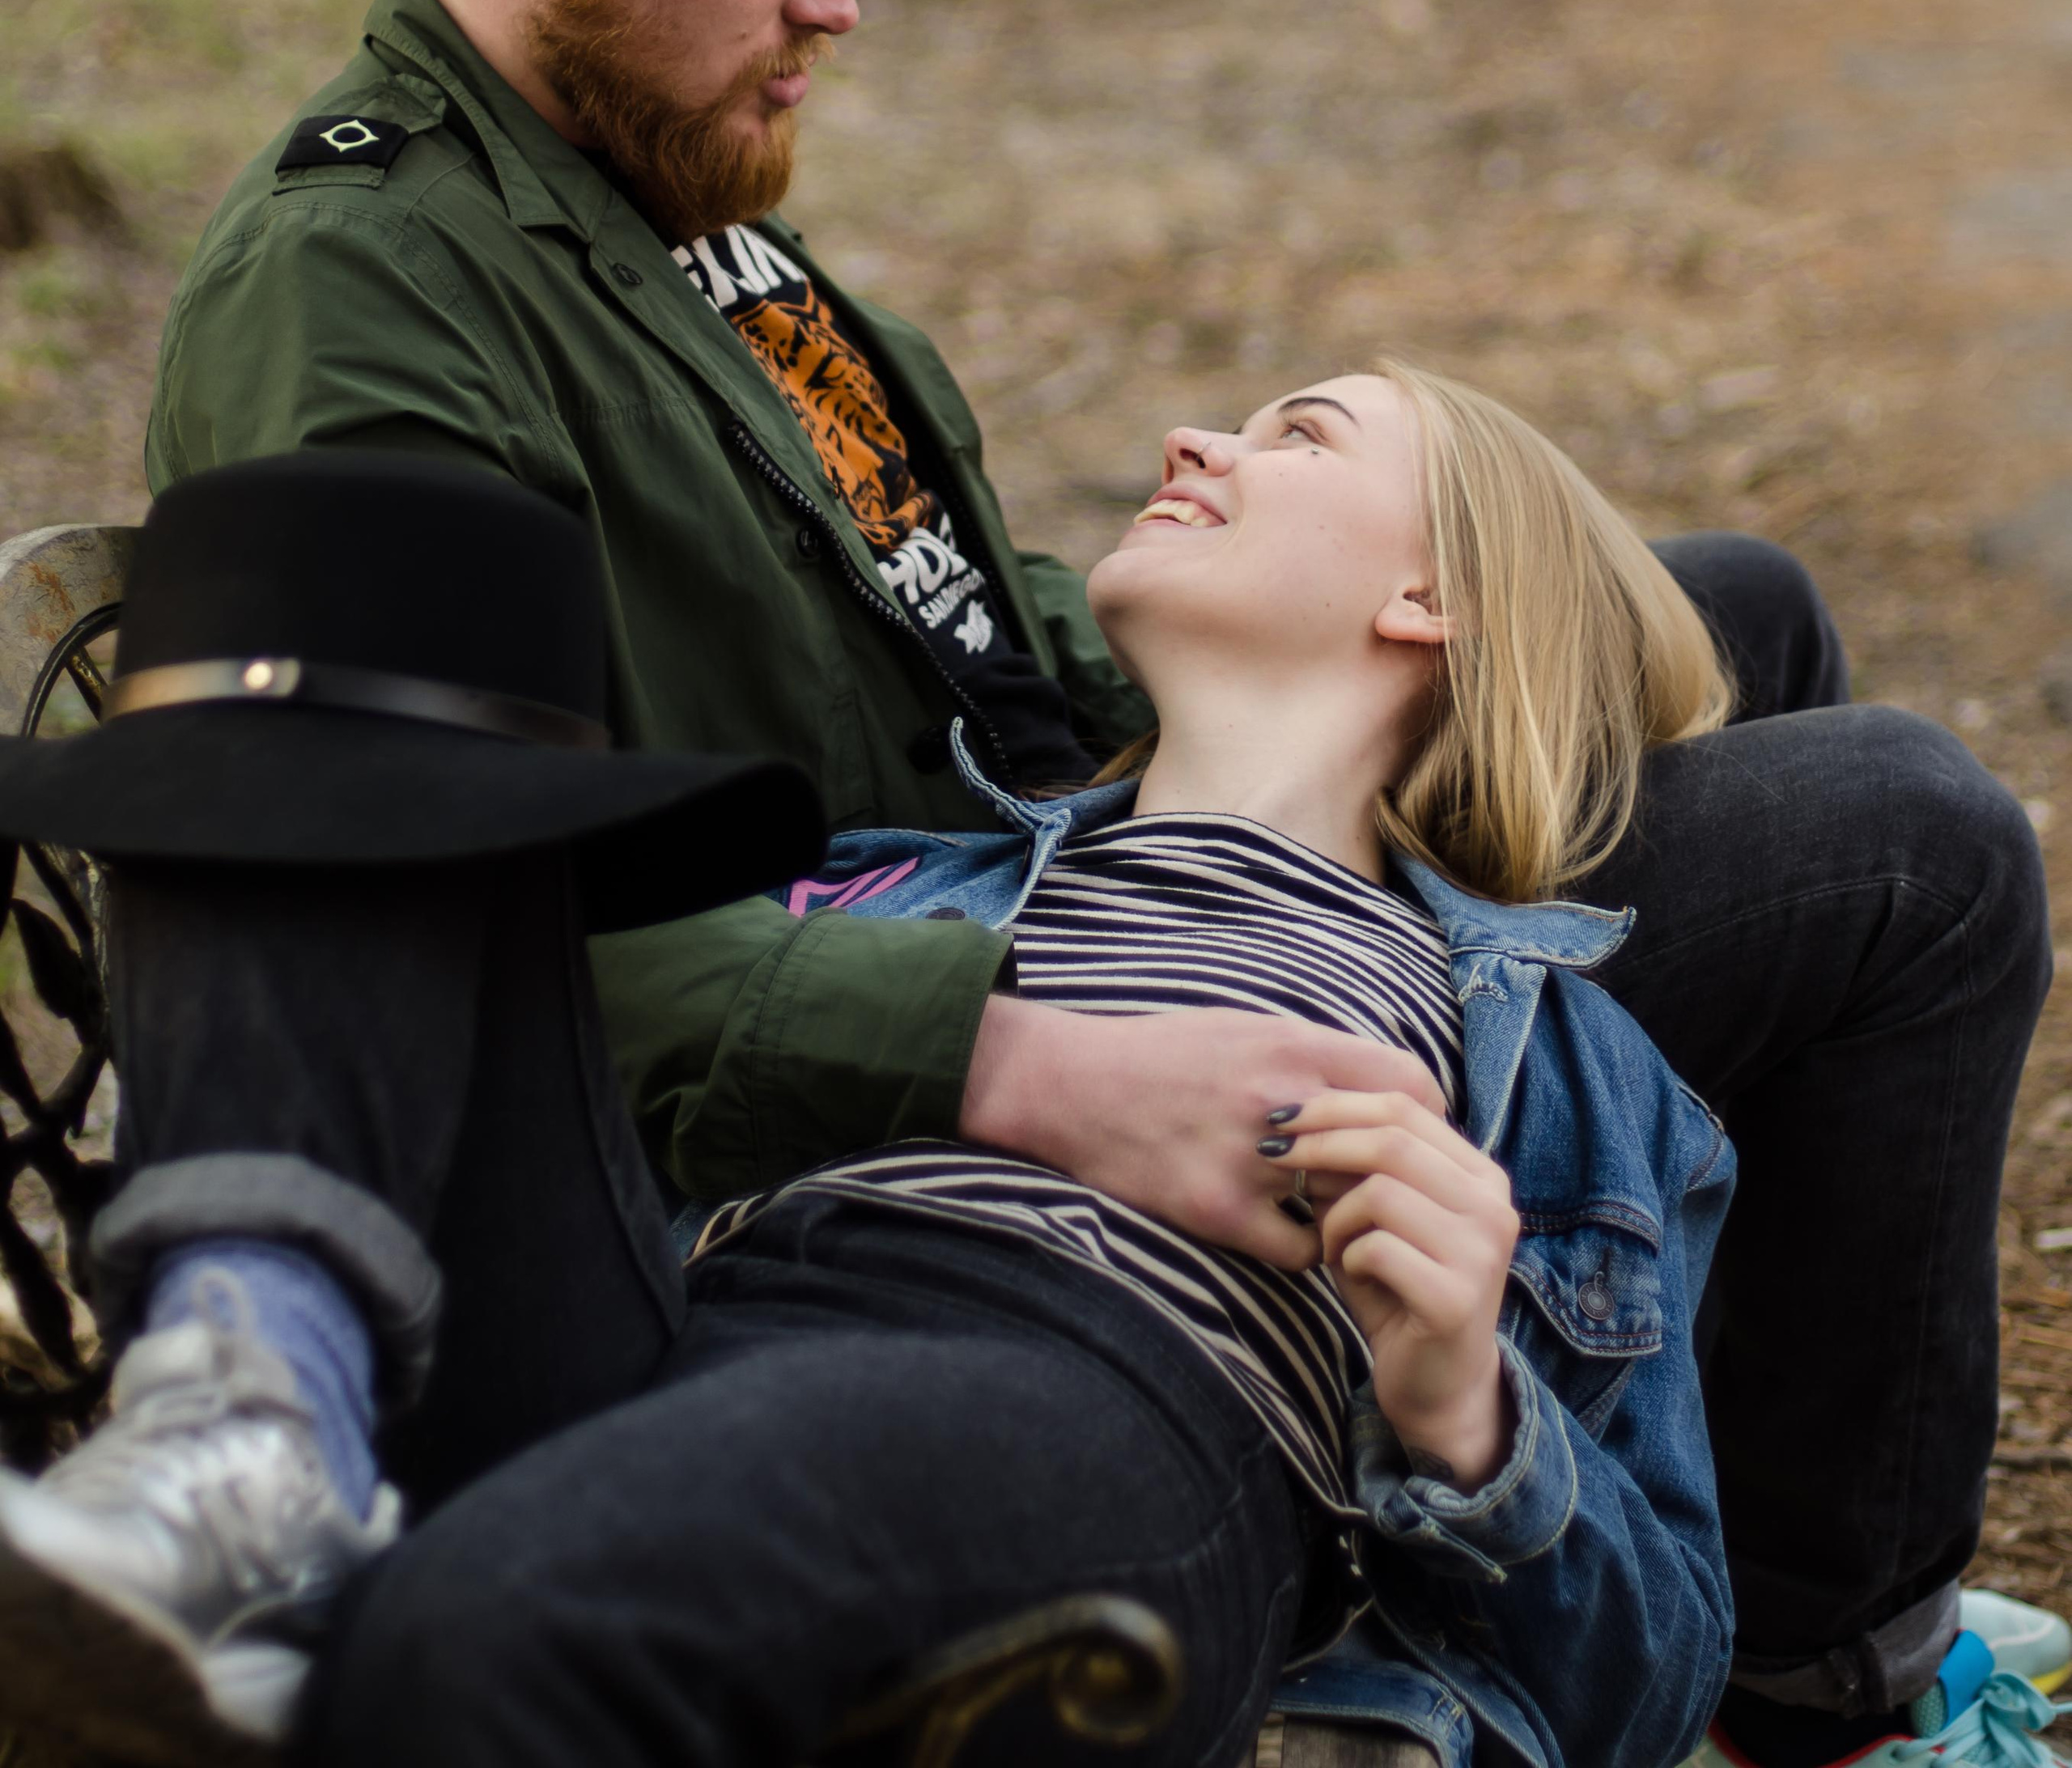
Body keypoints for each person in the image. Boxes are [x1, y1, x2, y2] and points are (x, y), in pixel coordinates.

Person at [138, 0, 2057, 1763]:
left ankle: (1663, 1449)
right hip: (850, 1042)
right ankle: (1804, 1649)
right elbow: (420, 905)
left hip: (1047, 865)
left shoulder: (688, 231)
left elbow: (998, 668)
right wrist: (1039, 1025)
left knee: (1731, 612)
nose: (836, 3)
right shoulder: (372, 286)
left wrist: (1285, 654)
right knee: (1909, 838)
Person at [1, 377, 1749, 1768]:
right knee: (331, 576)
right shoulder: (888, 870)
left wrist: (1469, 1415)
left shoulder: (1556, 1062)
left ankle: (320, 1645)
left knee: (492, 1625)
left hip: (1094, 1385)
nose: (1195, 437)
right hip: (683, 1308)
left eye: (1300, 428)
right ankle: (251, 1413)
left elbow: (1653, 1674)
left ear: (1427, 593)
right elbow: (522, 1024)